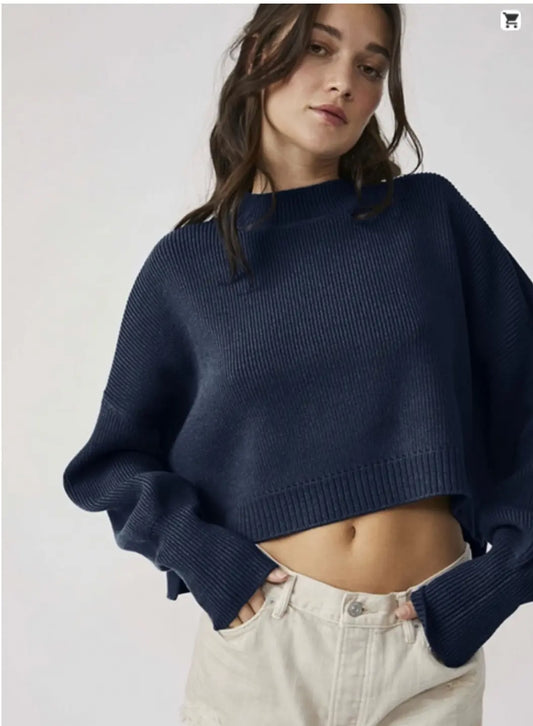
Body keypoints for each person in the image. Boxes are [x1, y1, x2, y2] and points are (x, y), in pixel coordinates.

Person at [63, 4, 533, 725]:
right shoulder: (185, 270)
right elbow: (113, 462)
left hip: (428, 654)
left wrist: (499, 580)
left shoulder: (428, 220)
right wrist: (212, 565)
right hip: (265, 656)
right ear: (260, 54)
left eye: (370, 67)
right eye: (318, 48)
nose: (344, 81)